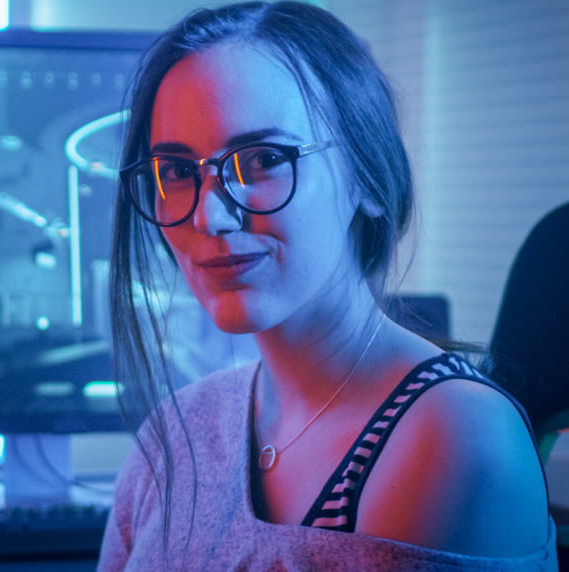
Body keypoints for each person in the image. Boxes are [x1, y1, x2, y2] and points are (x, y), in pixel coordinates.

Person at [98, 2, 556, 570]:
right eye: (176, 171)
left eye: (263, 159)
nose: (210, 217)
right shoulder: (175, 432)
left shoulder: (456, 434)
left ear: (367, 175)